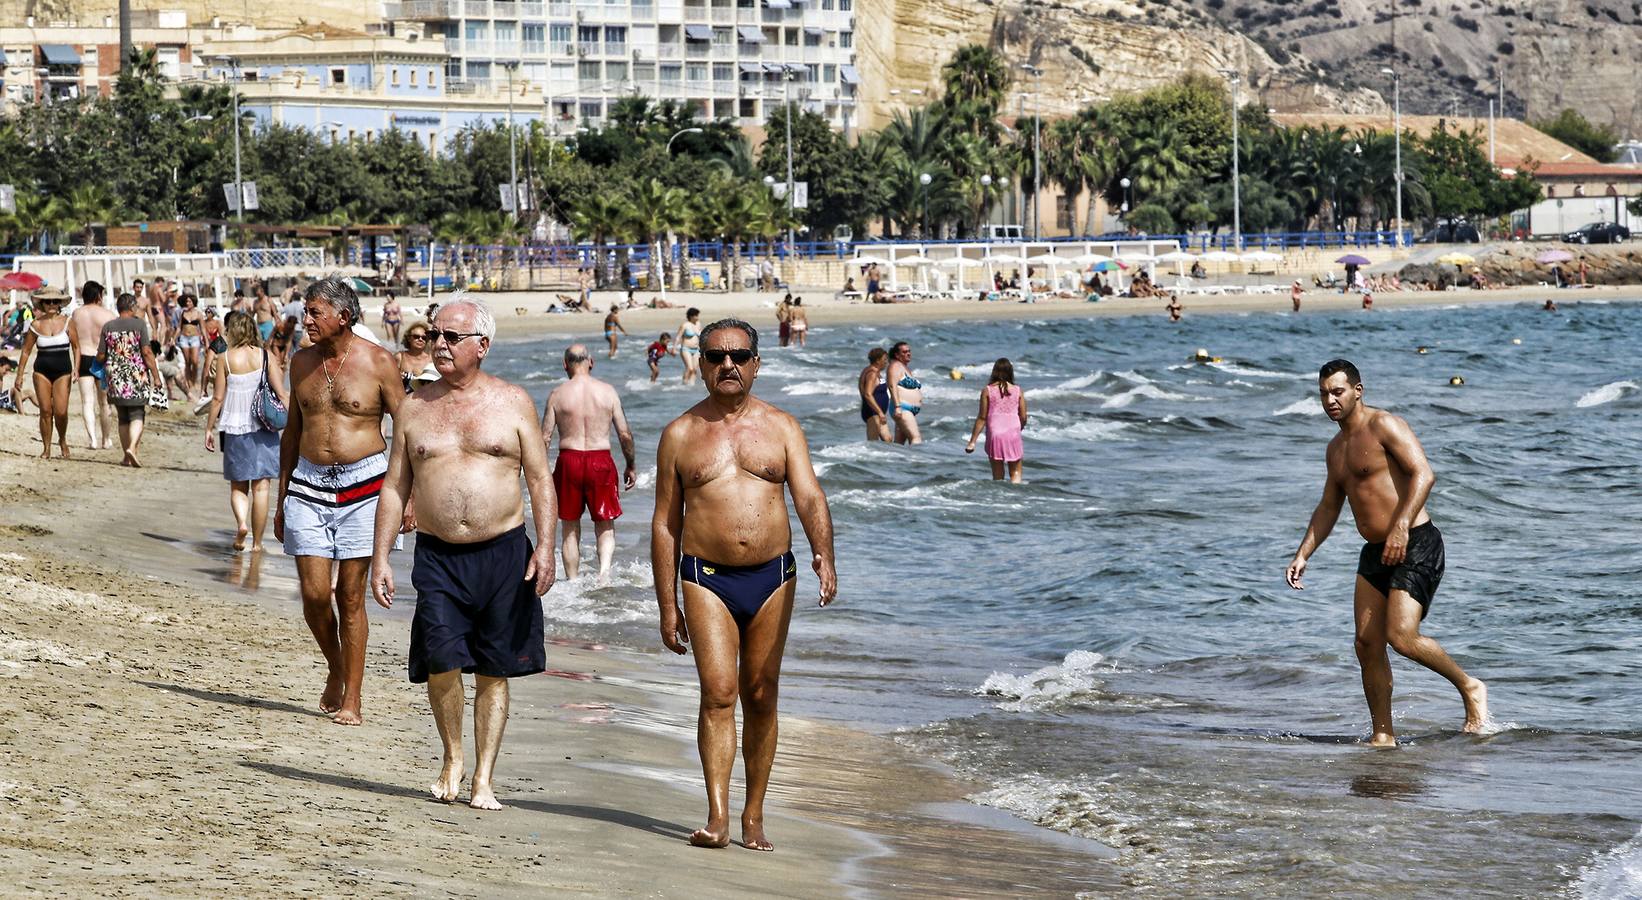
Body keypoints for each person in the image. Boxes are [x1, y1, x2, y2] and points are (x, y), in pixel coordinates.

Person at [651, 317, 837, 851]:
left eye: (737, 355)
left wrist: (825, 555)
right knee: (718, 693)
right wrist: (667, 604)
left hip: (773, 575)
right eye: (714, 357)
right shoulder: (680, 434)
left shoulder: (782, 428)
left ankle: (753, 814)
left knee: (760, 694)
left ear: (756, 363)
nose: (727, 364)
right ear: (703, 366)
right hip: (704, 576)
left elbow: (808, 497)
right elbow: (665, 523)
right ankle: (717, 816)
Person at [370, 298, 556, 811]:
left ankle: (483, 779)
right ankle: (452, 756)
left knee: (494, 670)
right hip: (437, 556)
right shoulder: (415, 407)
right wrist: (381, 556)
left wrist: (546, 546)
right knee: (442, 660)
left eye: (453, 337)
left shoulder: (513, 402)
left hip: (503, 554)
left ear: (483, 345)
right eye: (436, 335)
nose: (440, 344)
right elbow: (393, 486)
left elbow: (540, 478)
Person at [1284, 359, 1489, 747]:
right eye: (1324, 393)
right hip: (1375, 551)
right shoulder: (1336, 449)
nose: (1330, 400)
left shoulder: (1384, 425)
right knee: (1366, 643)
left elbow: (1424, 474)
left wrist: (1400, 525)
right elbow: (1329, 506)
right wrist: (1303, 553)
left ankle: (1470, 686)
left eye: (1337, 392)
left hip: (1415, 542)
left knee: (1401, 636)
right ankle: (1383, 734)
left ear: (1358, 391)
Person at [275, 278, 409, 726]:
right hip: (308, 486)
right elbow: (292, 433)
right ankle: (336, 666)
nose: (306, 320)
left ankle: (352, 697)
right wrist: (281, 499)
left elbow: (407, 434)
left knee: (350, 597)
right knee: (315, 596)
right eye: (307, 312)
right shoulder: (301, 364)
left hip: (364, 488)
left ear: (343, 317)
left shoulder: (379, 364)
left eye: (315, 312)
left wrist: (407, 499)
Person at [542, 344, 636, 584]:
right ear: (591, 362)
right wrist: (630, 464)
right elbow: (624, 434)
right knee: (604, 522)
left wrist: (540, 473)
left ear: (565, 365)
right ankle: (603, 574)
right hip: (600, 461)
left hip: (568, 460)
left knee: (569, 526)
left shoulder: (557, 394)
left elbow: (544, 438)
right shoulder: (607, 392)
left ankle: (572, 581)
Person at [205, 311, 288, 551]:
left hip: (234, 427)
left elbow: (218, 398)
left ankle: (242, 524)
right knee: (261, 487)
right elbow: (281, 393)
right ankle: (258, 544)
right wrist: (295, 424)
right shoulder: (265, 356)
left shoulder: (225, 358)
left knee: (238, 486)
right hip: (264, 427)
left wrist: (209, 428)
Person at [98, 292, 163, 467]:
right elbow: (147, 352)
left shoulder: (108, 327)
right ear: (133, 307)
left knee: (123, 417)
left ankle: (126, 456)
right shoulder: (139, 324)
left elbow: (101, 355)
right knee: (137, 413)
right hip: (136, 374)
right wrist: (156, 376)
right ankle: (132, 448)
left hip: (115, 375)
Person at [11, 288, 76, 458]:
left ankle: (62, 440)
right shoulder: (36, 325)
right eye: (48, 302)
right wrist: (19, 375)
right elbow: (25, 351)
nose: (52, 305)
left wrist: (76, 368)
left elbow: (77, 347)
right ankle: (46, 448)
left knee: (61, 411)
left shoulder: (68, 322)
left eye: (55, 301)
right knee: (46, 411)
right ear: (42, 304)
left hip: (63, 371)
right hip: (41, 371)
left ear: (60, 303)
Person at [964, 358, 1028, 483]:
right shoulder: (1018, 390)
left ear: (994, 372)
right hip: (1013, 432)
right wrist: (1020, 427)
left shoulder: (987, 390)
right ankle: (1016, 497)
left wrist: (972, 442)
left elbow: (982, 418)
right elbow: (1023, 416)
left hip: (995, 433)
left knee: (998, 475)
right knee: (1015, 472)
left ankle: (999, 499)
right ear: (1011, 372)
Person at [69, 281, 115, 450]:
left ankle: (92, 440)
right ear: (98, 295)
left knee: (87, 402)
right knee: (104, 403)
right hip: (102, 359)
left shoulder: (76, 314)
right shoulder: (108, 314)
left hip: (83, 359)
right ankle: (106, 439)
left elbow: (73, 341)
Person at [885, 341, 924, 445]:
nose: (908, 353)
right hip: (902, 408)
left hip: (908, 409)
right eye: (904, 352)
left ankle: (895, 460)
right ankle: (917, 460)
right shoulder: (895, 365)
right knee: (916, 438)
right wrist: (897, 407)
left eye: (909, 351)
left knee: (899, 444)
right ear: (897, 355)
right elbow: (892, 385)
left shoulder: (905, 367)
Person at [856, 347, 891, 442]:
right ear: (877, 361)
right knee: (873, 442)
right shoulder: (872, 374)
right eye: (884, 359)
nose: (886, 362)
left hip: (876, 413)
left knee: (888, 440)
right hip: (873, 413)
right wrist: (879, 412)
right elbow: (867, 394)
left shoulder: (874, 372)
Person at [176, 294, 204, 396]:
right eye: (187, 302)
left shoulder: (199, 314)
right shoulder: (183, 313)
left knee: (195, 361)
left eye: (190, 302)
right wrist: (173, 338)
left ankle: (194, 380)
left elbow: (203, 329)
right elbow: (179, 327)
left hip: (195, 338)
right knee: (187, 362)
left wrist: (207, 341)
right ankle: (189, 382)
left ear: (194, 302)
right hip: (184, 338)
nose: (188, 303)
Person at [396, 321, 434, 393]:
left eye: (424, 338)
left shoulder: (431, 359)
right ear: (408, 338)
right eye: (416, 336)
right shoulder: (400, 357)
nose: (420, 339)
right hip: (403, 399)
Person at [676, 307, 702, 386]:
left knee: (694, 369)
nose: (697, 317)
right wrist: (674, 348)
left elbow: (701, 336)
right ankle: (684, 384)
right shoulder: (685, 325)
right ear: (691, 316)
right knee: (689, 368)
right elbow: (678, 337)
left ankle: (691, 386)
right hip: (686, 349)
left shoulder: (698, 324)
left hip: (696, 349)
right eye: (696, 315)